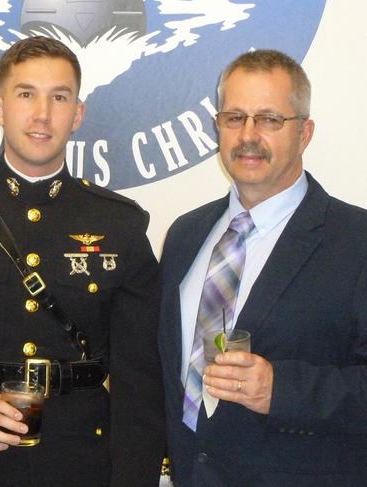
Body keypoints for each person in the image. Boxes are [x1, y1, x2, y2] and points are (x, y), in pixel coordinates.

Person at [0, 36, 165, 486]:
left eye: (59, 97)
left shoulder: (119, 224)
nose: (42, 114)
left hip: (82, 461)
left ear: (77, 114)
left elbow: (141, 379)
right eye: (26, 95)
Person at [158, 49, 367, 486]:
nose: (248, 135)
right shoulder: (185, 235)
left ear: (305, 133)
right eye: (234, 117)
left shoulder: (357, 240)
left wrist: (283, 391)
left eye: (270, 119)